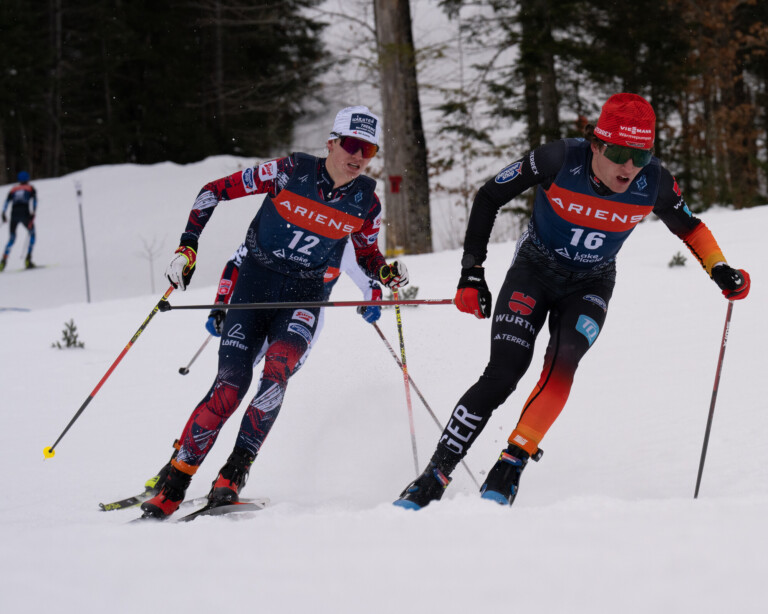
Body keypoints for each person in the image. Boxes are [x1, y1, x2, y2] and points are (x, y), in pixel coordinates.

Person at [394, 93, 750, 510]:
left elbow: (690, 227)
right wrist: (472, 272)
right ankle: (435, 473)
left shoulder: (654, 181)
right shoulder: (558, 159)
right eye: (618, 153)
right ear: (596, 143)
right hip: (535, 269)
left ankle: (511, 464)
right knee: (504, 371)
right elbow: (490, 196)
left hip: (591, 282)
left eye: (640, 155)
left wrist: (719, 268)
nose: (629, 167)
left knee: (563, 361)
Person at [140, 105, 408, 519]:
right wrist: (187, 247)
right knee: (230, 385)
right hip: (255, 285)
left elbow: (367, 254)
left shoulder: (366, 202)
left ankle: (232, 476)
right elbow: (213, 191)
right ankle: (174, 482)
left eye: (368, 149)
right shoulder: (287, 172)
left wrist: (386, 273)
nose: (358, 156)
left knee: (276, 373)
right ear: (331, 143)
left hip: (305, 295)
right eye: (351, 144)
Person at [143, 238, 383, 494]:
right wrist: (220, 305)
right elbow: (235, 262)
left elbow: (371, 284)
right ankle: (176, 464)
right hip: (259, 306)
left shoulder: (346, 245)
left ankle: (233, 473)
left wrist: (373, 303)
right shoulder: (279, 223)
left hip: (300, 319)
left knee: (271, 384)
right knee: (226, 386)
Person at [1, 171, 38, 271]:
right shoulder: (30, 188)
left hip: (14, 215)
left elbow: (6, 202)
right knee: (32, 234)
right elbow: (34, 201)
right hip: (25, 214)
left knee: (12, 238)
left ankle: (3, 261)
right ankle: (28, 260)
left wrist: (3, 213)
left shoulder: (14, 189)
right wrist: (34, 212)